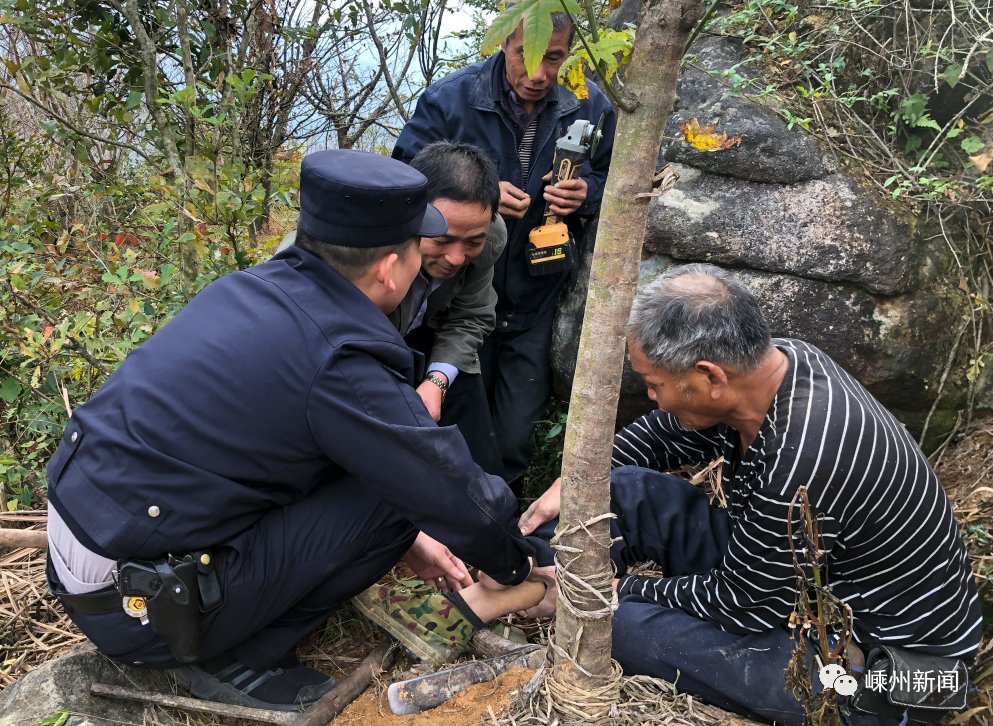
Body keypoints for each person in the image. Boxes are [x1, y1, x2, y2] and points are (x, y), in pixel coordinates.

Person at [44, 149, 544, 712]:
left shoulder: (253, 289)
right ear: (389, 267)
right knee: (394, 493)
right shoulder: (340, 359)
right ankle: (237, 657)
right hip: (145, 609)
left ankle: (226, 620)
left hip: (94, 564)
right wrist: (515, 563)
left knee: (381, 481)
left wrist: (408, 542)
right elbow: (443, 484)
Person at [517, 264, 982, 724]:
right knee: (623, 488)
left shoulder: (805, 455)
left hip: (889, 673)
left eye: (655, 384)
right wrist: (576, 483)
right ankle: (526, 577)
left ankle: (556, 595)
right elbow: (661, 434)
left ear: (710, 378)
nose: (652, 396)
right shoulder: (782, 365)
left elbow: (740, 601)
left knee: (617, 627)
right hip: (801, 585)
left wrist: (615, 591)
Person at [393, 12, 617, 493]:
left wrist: (587, 194)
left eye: (553, 59)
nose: (538, 74)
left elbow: (614, 177)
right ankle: (452, 512)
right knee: (462, 413)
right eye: (526, 56)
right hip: (461, 289)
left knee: (516, 426)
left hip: (537, 289)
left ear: (569, 53)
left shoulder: (590, 103)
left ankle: (502, 518)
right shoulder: (452, 99)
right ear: (504, 45)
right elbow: (407, 178)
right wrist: (480, 194)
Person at [280, 142, 507, 473]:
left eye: (473, 241)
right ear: (412, 217)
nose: (457, 258)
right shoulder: (349, 247)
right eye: (442, 240)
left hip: (428, 338)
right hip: (356, 349)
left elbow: (470, 317)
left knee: (474, 451)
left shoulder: (489, 236)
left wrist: (437, 381)